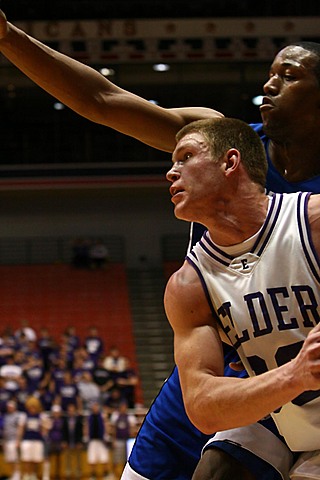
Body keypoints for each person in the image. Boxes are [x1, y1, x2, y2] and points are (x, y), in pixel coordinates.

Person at [0, 10, 319, 477]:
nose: (269, 86)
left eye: (287, 77)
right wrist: (8, 37)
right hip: (225, 363)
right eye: (269, 74)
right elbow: (104, 100)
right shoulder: (222, 140)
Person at [165, 115, 320, 479]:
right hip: (288, 424)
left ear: (230, 162)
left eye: (185, 157)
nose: (171, 172)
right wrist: (294, 376)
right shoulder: (188, 284)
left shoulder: (311, 221)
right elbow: (203, 406)